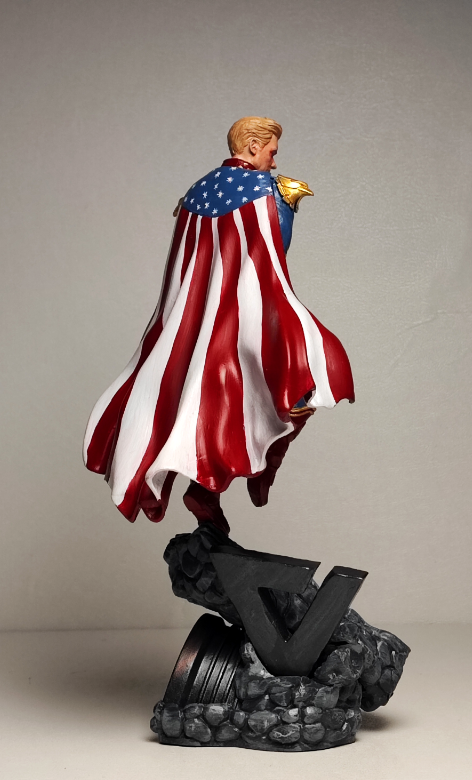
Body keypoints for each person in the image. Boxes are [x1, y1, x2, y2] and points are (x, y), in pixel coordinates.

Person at [83, 117, 354, 533]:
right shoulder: (268, 189)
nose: (274, 161)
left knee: (212, 407)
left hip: (196, 325)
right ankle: (259, 469)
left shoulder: (194, 193)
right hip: (245, 312)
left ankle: (213, 487)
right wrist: (286, 207)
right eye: (271, 151)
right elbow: (276, 249)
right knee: (311, 368)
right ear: (252, 146)